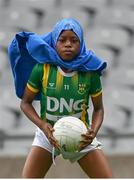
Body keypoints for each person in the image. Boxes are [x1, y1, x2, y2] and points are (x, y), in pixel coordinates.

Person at [8, 18, 113, 178]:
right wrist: (43, 126)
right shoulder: (42, 69)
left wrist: (93, 131)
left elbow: (99, 109)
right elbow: (25, 103)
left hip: (81, 137)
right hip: (47, 135)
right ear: (54, 42)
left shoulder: (90, 72)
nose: (68, 44)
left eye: (74, 40)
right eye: (62, 40)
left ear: (81, 42)